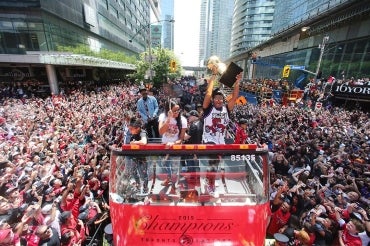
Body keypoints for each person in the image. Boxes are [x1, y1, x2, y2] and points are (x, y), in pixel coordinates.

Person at [202, 59, 242, 144]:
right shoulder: (208, 108)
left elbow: (234, 97)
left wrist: (237, 81)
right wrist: (214, 75)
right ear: (212, 100)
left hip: (221, 143)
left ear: (223, 100)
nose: (218, 100)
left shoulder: (226, 109)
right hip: (208, 141)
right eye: (216, 98)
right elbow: (208, 94)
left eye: (220, 98)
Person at [158, 99, 187, 186]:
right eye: (175, 110)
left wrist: (173, 143)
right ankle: (168, 179)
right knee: (165, 165)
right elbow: (161, 132)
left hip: (175, 147)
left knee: (175, 168)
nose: (177, 112)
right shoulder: (163, 117)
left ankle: (174, 185)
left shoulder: (182, 120)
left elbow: (181, 138)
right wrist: (169, 119)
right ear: (169, 110)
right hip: (164, 146)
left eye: (178, 110)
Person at [123, 117, 149, 193]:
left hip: (142, 158)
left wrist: (135, 143)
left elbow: (144, 141)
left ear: (137, 128)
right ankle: (138, 187)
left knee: (143, 175)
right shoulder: (133, 134)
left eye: (131, 129)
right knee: (134, 173)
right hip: (134, 158)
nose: (130, 130)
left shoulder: (142, 132)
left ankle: (145, 189)